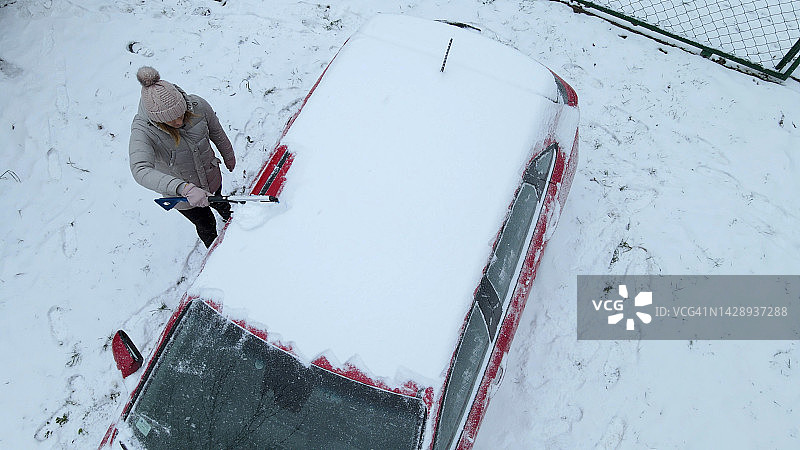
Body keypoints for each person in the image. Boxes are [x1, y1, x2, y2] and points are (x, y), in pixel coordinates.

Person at [129, 66, 236, 248]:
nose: (178, 122)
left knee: (221, 201)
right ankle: (216, 254)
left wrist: (228, 154)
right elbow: (140, 169)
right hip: (184, 198)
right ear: (156, 119)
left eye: (181, 115)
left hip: (211, 177)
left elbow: (216, 131)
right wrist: (182, 188)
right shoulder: (143, 131)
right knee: (206, 223)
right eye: (170, 120)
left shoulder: (197, 105)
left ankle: (233, 221)